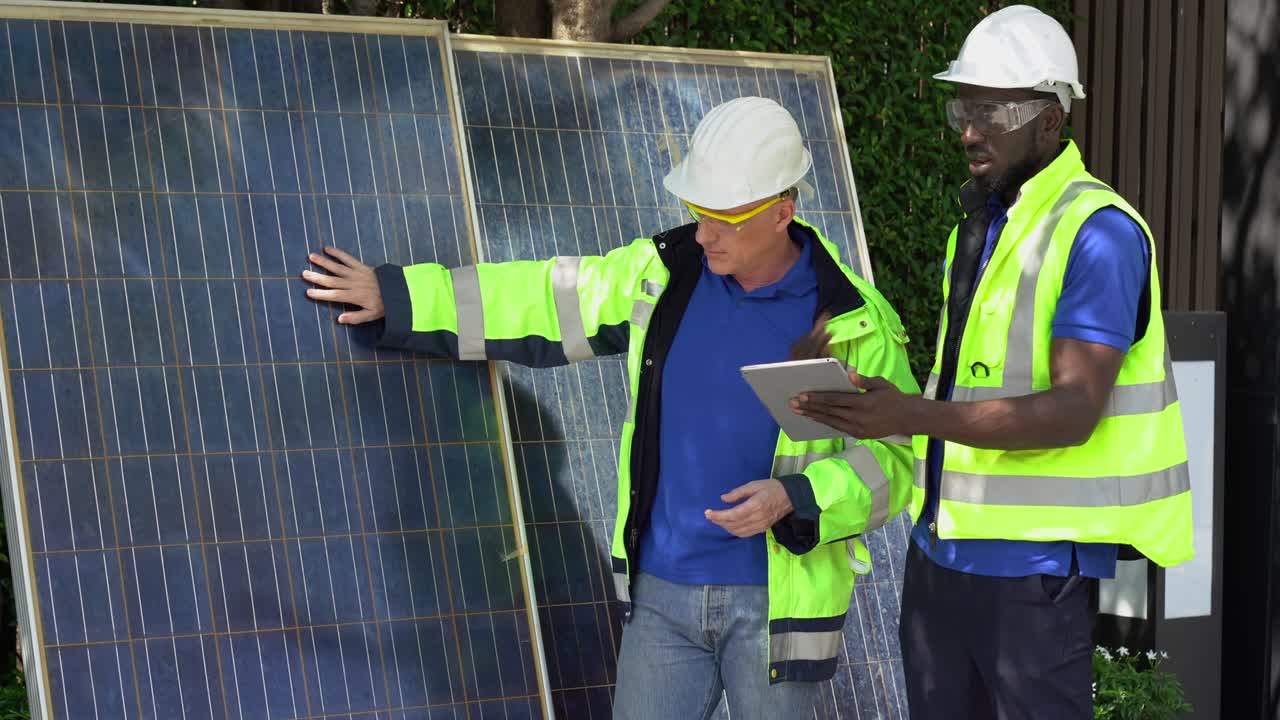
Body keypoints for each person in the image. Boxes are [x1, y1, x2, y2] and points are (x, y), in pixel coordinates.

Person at [300, 96, 918, 719]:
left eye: (723, 219)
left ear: (781, 212)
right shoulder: (662, 276)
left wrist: (801, 496)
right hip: (663, 599)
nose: (702, 233)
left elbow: (896, 462)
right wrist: (401, 296)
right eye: (696, 212)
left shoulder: (853, 321)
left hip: (781, 612)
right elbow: (542, 298)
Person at [790, 6, 1193, 719]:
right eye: (962, 108)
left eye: (991, 110)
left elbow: (1073, 411)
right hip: (941, 557)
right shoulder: (978, 227)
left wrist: (909, 412)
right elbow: (964, 391)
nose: (970, 130)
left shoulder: (1098, 233)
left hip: (1032, 578)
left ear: (1051, 118)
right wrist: (860, 397)